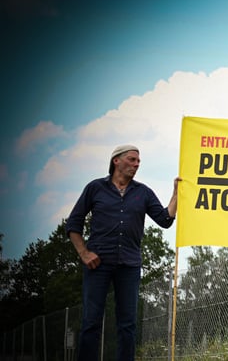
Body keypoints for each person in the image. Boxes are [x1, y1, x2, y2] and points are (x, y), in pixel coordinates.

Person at [66, 145, 180, 361]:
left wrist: (176, 193)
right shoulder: (95, 188)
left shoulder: (143, 192)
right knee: (91, 321)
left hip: (129, 265)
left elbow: (165, 220)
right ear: (116, 161)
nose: (137, 164)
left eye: (138, 161)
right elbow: (74, 224)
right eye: (132, 159)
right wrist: (84, 253)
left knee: (127, 324)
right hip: (97, 264)